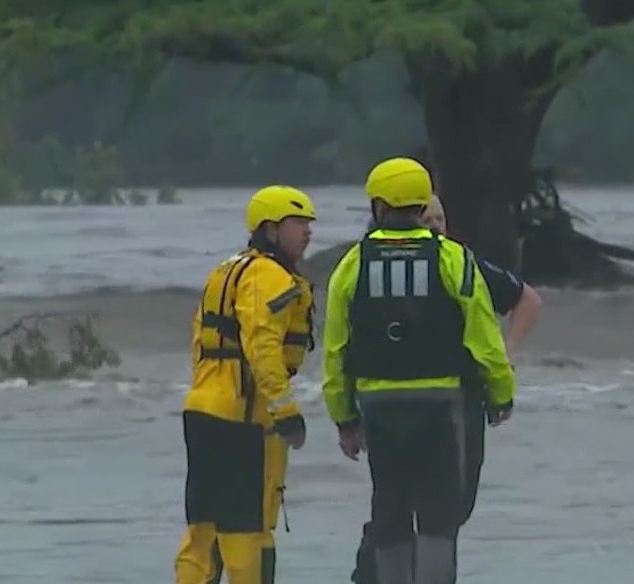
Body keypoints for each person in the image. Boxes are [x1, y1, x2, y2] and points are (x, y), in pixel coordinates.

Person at [322, 157, 516, 584]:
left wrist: (344, 417)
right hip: (440, 402)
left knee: (389, 508)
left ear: (378, 206)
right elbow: (484, 337)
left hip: (377, 403)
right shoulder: (453, 258)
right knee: (438, 517)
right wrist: (501, 394)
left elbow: (335, 350)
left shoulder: (351, 265)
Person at [174, 185, 317, 584]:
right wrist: (286, 411)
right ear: (271, 230)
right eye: (298, 224)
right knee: (247, 531)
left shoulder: (225, 271)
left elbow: (199, 339)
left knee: (202, 530)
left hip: (203, 411)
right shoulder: (269, 276)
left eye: (309, 224)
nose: (307, 232)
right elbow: (262, 345)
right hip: (241, 419)